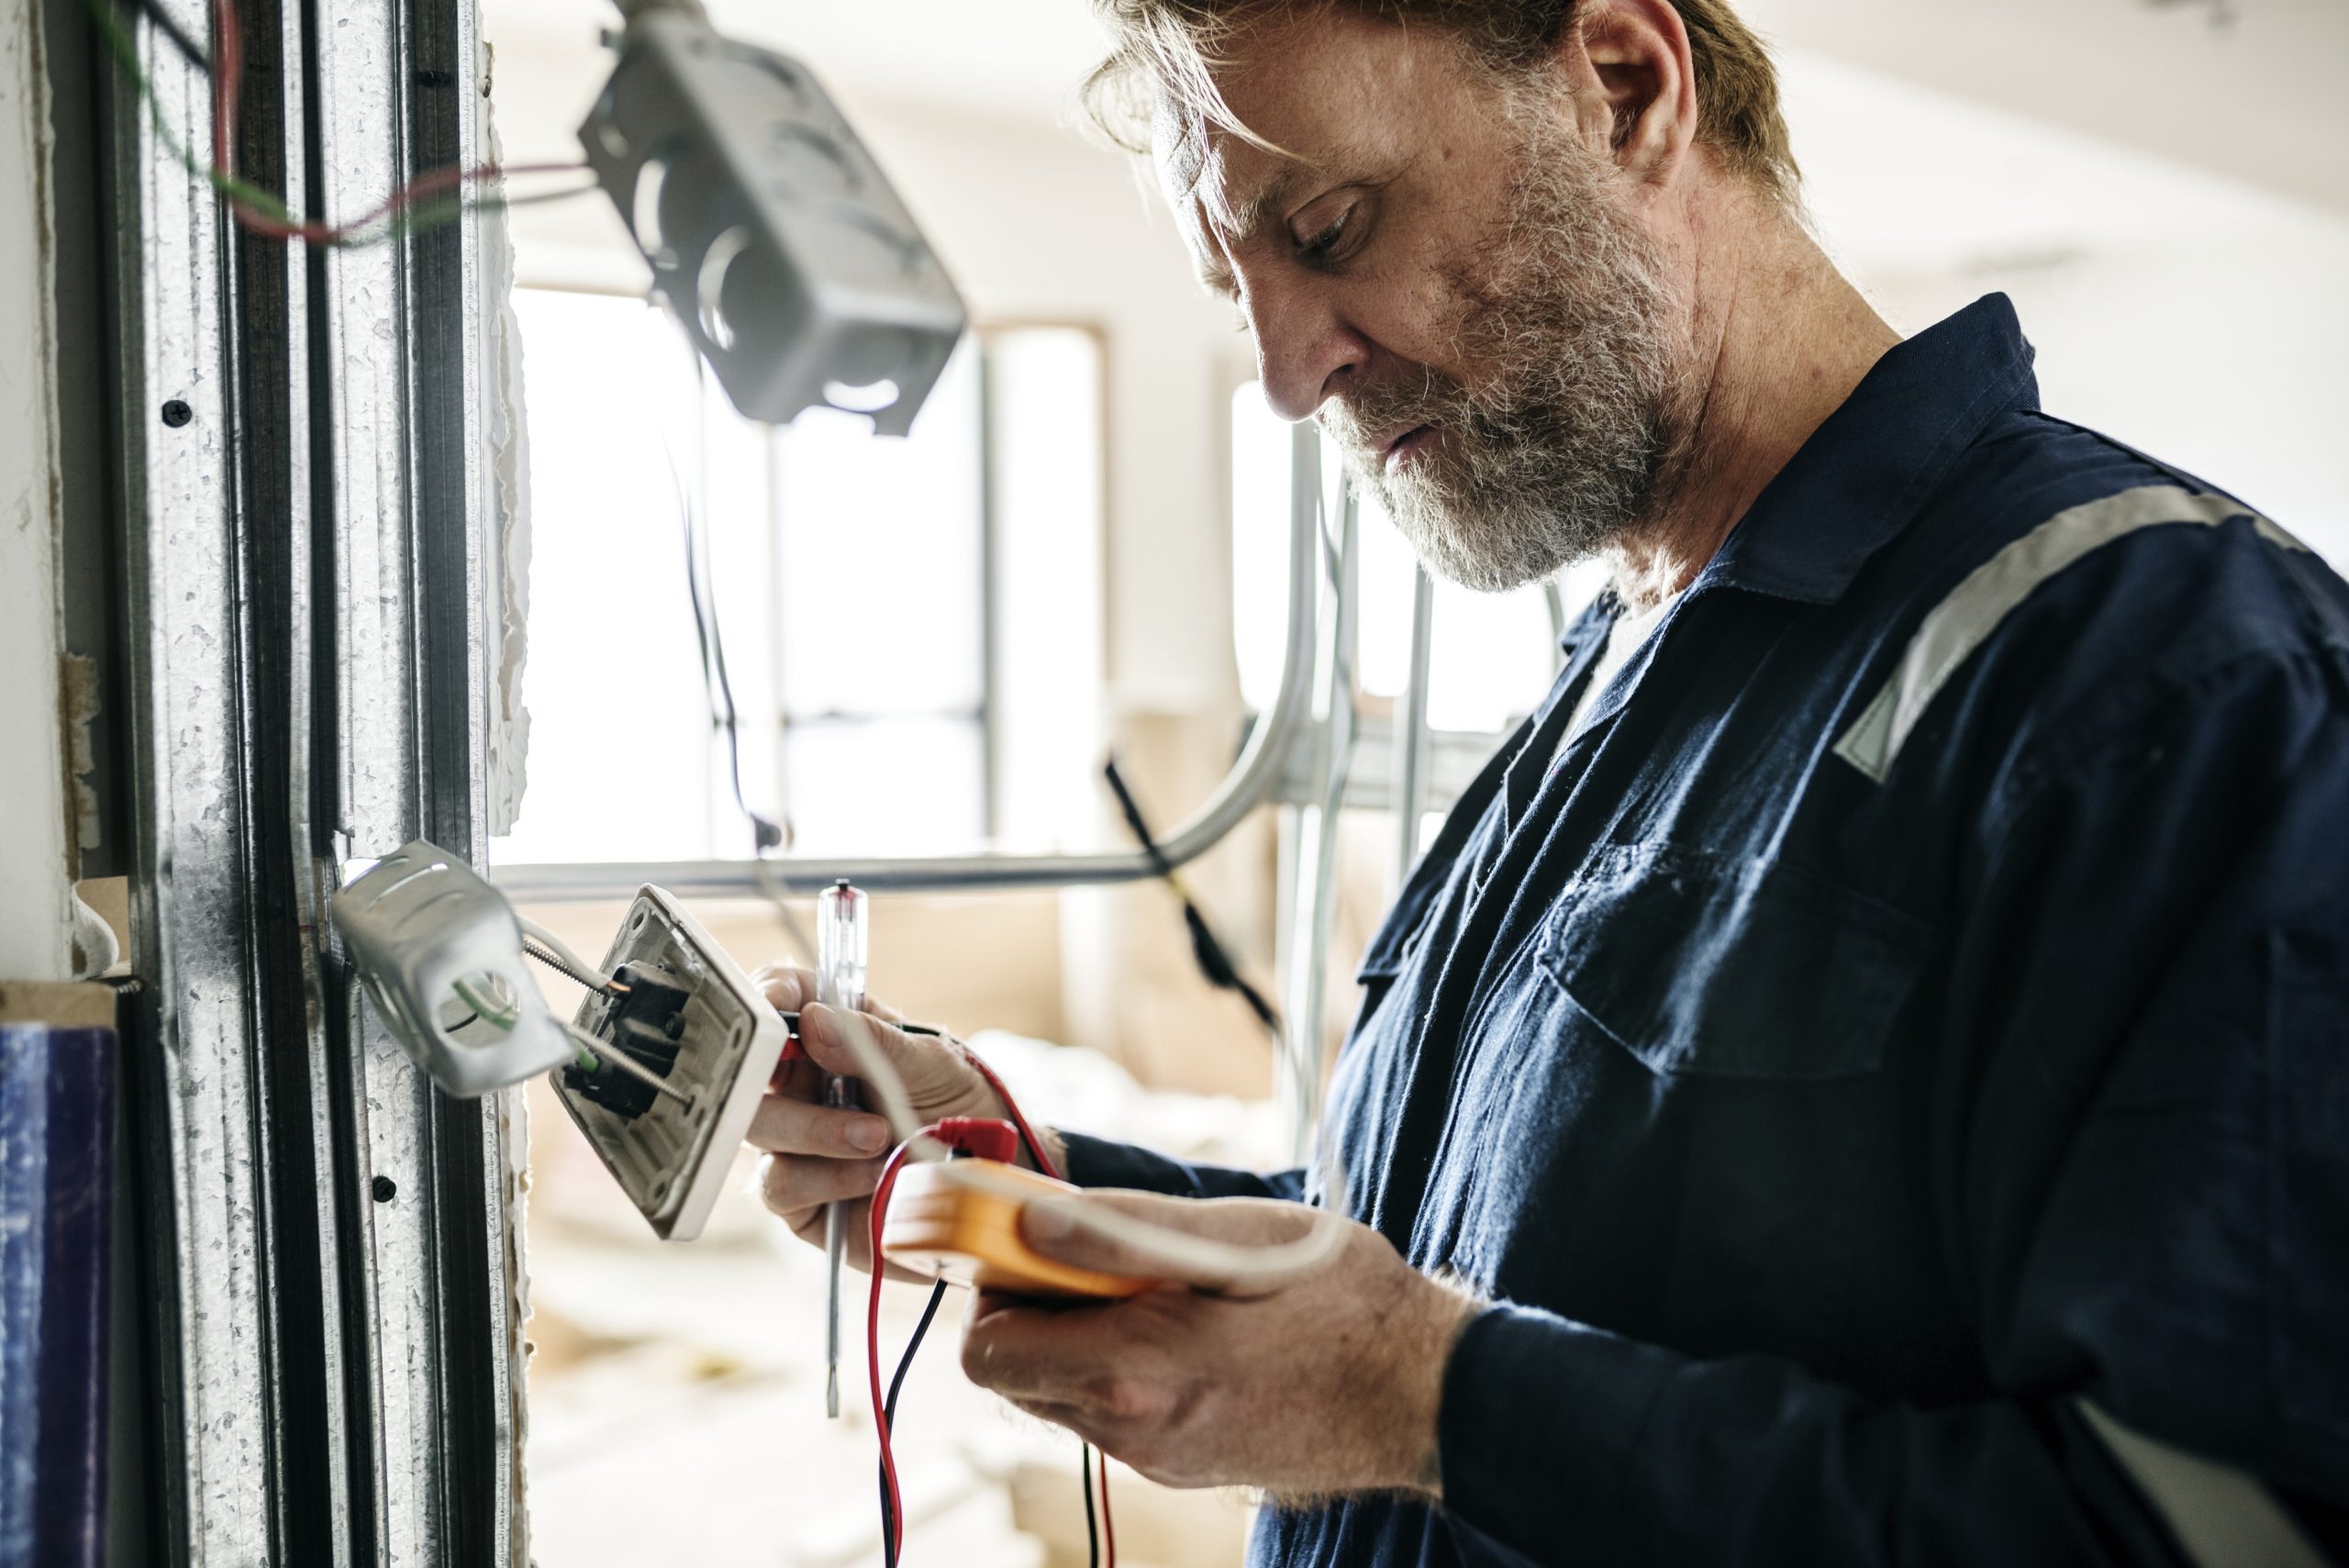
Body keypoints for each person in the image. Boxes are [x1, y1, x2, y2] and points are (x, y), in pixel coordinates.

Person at [746, 1, 2349, 1562]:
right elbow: (1443, 1249)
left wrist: (1427, 1402)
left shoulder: (2160, 665)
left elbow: (2222, 1522)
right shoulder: (1612, 672)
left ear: (1624, 86)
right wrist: (1046, 1176)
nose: (1295, 376)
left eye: (1332, 224)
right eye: (1241, 292)